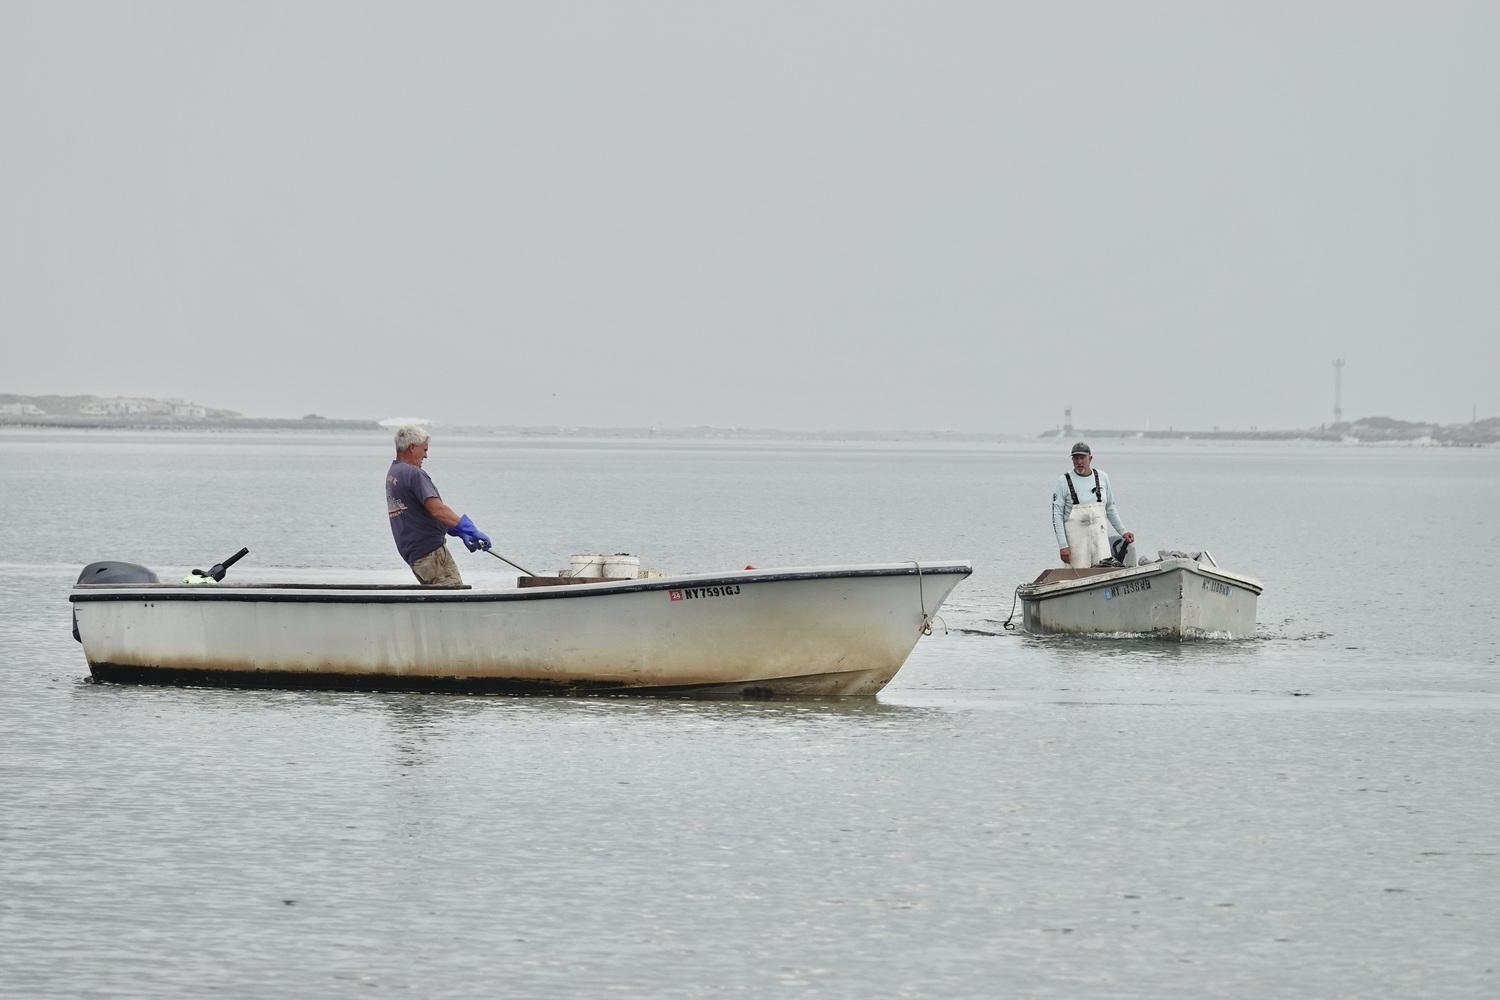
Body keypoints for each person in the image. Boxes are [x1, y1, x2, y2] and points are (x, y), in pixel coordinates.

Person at [385, 426, 491, 585]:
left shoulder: (394, 474)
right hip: (431, 554)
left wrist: (458, 531)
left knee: (437, 602)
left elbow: (419, 514)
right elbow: (437, 510)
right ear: (412, 447)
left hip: (416, 556)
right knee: (453, 600)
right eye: (424, 450)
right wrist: (469, 529)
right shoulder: (414, 474)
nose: (426, 456)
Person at [1051, 441, 1134, 568]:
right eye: (1076, 458)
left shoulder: (1103, 477)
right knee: (1077, 575)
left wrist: (1123, 531)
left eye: (1082, 458)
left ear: (1090, 458)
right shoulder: (1063, 481)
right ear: (1072, 460)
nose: (1079, 462)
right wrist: (1063, 546)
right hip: (1076, 543)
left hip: (1100, 539)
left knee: (1104, 570)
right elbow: (1057, 516)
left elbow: (1110, 508)